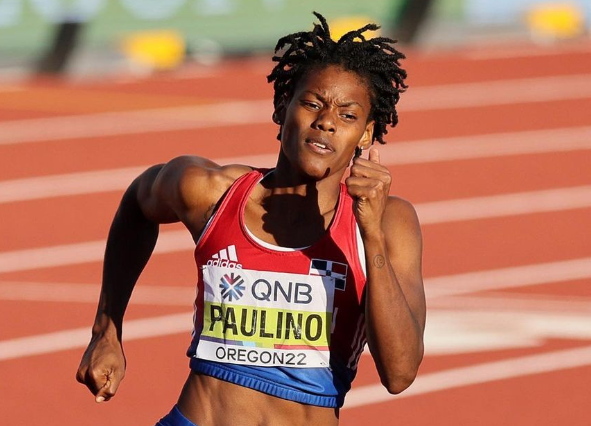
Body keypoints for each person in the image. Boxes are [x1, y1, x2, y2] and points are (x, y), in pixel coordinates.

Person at [76, 12, 425, 426]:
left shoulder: (389, 222)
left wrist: (371, 236)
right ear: (283, 107)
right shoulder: (212, 192)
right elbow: (138, 201)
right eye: (312, 104)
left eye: (348, 116)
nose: (326, 122)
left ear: (366, 133)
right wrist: (106, 329)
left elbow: (399, 374)